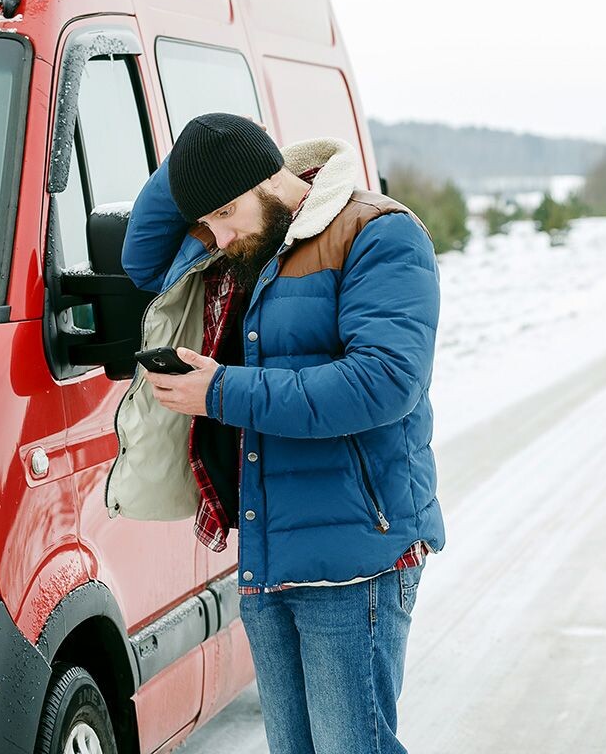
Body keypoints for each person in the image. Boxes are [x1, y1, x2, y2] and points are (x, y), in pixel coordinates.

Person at [120, 113, 445, 754]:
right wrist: (202, 147)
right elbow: (140, 259)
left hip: (357, 553)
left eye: (225, 212)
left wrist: (219, 392)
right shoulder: (240, 243)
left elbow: (382, 383)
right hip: (270, 551)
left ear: (269, 179)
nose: (217, 235)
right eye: (204, 222)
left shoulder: (377, 234)